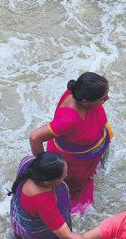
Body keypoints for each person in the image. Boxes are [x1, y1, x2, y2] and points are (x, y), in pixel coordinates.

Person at [28, 72, 112, 215]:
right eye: (103, 99)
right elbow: (35, 137)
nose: (107, 99)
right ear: (86, 102)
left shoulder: (79, 91)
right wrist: (46, 167)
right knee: (73, 198)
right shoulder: (69, 119)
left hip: (91, 153)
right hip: (75, 167)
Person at [8, 152, 112, 239]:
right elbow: (69, 237)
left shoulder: (28, 164)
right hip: (40, 234)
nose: (66, 176)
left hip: (22, 218)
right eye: (63, 177)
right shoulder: (43, 203)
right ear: (47, 181)